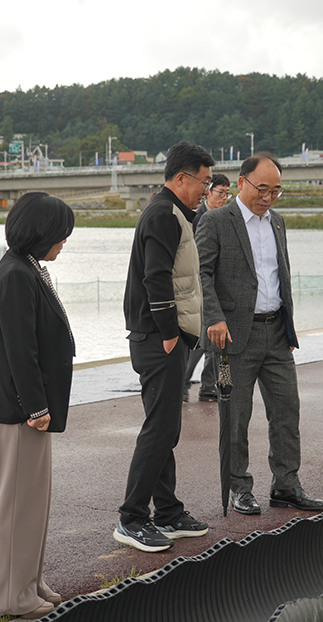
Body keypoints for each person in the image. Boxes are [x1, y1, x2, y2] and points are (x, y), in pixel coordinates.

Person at [196, 152, 323, 516]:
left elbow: (279, 276)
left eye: (276, 191)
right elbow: (201, 273)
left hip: (277, 333)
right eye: (262, 189)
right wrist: (214, 318)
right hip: (233, 338)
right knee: (235, 416)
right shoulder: (215, 221)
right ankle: (239, 488)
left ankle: (286, 485)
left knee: (287, 411)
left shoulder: (278, 223)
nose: (268, 197)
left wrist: (288, 324)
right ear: (242, 183)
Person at [0, 192, 75, 620]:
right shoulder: (16, 274)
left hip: (26, 409)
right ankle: (10, 597)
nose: (64, 241)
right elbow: (21, 349)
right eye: (61, 234)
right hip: (19, 410)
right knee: (18, 506)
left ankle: (29, 582)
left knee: (33, 503)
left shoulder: (25, 266)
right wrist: (36, 407)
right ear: (41, 232)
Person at [115, 141, 214, 552]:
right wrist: (170, 333)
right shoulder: (163, 214)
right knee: (160, 429)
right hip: (159, 339)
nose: (207, 189)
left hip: (163, 338)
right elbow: (156, 277)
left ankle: (168, 513)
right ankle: (131, 518)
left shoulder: (174, 212)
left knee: (165, 427)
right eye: (204, 181)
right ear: (181, 178)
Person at [184, 173, 232, 402]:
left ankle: (208, 387)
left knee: (217, 340)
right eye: (220, 192)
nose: (224, 198)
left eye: (227, 194)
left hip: (220, 288)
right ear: (208, 193)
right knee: (200, 340)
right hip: (200, 288)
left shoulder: (225, 218)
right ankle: (182, 384)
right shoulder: (197, 218)